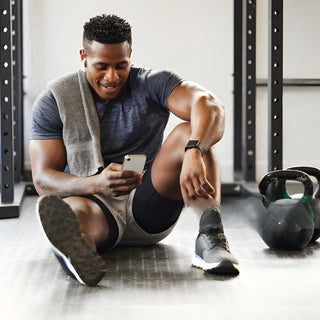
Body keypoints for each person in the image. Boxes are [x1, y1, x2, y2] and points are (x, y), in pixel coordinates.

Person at [29, 14, 239, 286]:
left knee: (191, 132)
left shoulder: (153, 83)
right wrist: (97, 182)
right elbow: (42, 179)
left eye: (121, 65)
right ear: (83, 56)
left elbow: (209, 105)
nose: (112, 77)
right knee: (72, 213)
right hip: (94, 205)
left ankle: (210, 235)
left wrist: (195, 150)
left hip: (149, 203)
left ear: (130, 55)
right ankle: (78, 251)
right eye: (101, 66)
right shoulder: (55, 100)